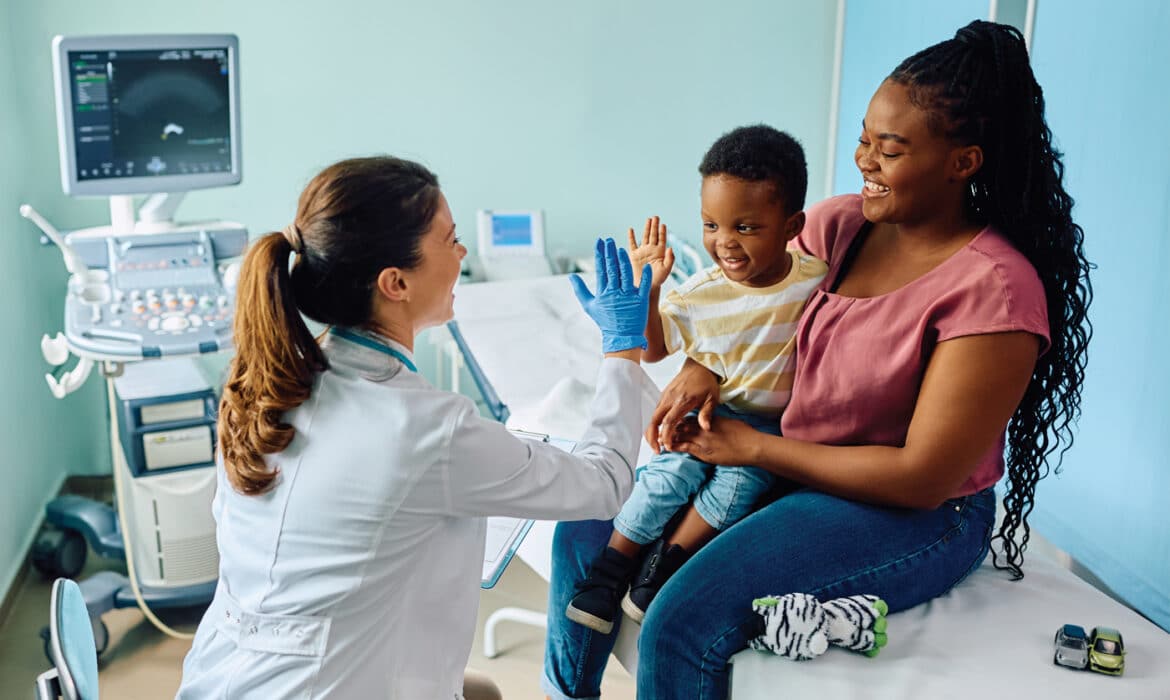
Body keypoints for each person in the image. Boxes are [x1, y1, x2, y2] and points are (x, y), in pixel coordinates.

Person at [542, 20, 1091, 699]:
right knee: (581, 531)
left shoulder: (995, 291)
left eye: (887, 150)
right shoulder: (840, 226)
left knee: (681, 621)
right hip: (785, 459)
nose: (864, 160)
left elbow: (922, 477)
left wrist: (754, 450)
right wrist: (703, 366)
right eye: (863, 138)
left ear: (963, 162)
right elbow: (750, 311)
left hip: (910, 510)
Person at [175, 156, 657, 699]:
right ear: (395, 282)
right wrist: (622, 348)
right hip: (328, 686)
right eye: (449, 240)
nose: (462, 252)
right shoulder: (425, 428)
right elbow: (605, 483)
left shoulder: (262, 386)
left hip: (222, 680)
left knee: (482, 693)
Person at [565, 126, 828, 634]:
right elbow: (656, 347)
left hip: (768, 428)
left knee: (738, 487)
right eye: (710, 224)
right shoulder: (704, 291)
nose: (723, 242)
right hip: (714, 410)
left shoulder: (815, 279)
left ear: (792, 224)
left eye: (746, 227)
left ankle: (663, 565)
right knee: (669, 475)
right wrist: (650, 295)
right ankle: (610, 569)